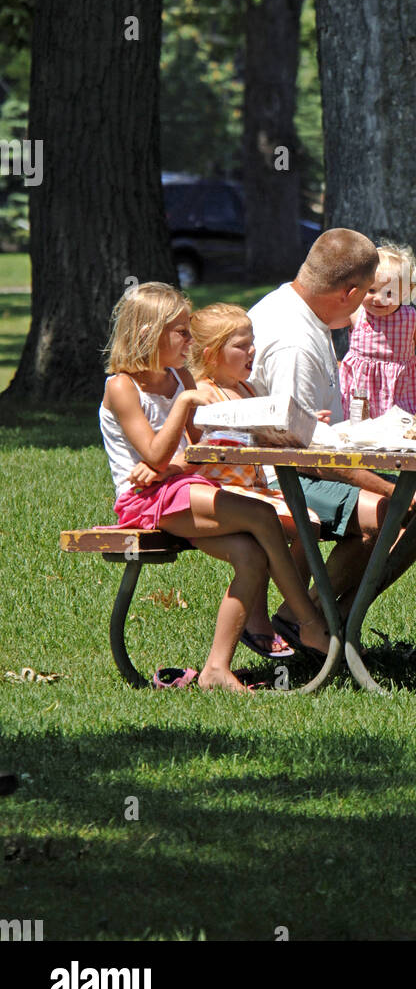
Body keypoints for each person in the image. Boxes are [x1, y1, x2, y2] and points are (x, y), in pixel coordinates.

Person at [99, 282, 331, 691]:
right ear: (149, 332)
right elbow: (153, 452)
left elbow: (197, 451)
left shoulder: (179, 375)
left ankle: (215, 671)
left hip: (182, 488)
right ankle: (308, 622)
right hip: (143, 502)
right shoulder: (122, 386)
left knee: (251, 554)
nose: (189, 341)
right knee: (262, 515)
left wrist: (169, 464)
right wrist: (184, 412)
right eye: (181, 332)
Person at [248, 230, 416, 624]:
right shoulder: (295, 343)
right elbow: (301, 455)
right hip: (277, 475)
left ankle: (321, 619)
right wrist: (391, 489)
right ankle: (314, 621)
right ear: (349, 293)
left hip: (310, 462)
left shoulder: (294, 306)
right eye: (368, 292)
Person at [188, 301, 329, 660]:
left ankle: (284, 613)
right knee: (285, 527)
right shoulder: (203, 394)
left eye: (252, 343)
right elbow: (195, 448)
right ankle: (267, 619)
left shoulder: (249, 391)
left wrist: (300, 423)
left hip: (255, 488)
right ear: (212, 353)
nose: (252, 351)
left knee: (309, 525)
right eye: (242, 345)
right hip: (222, 492)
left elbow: (263, 434)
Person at [339, 241, 416, 419]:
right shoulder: (357, 312)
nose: (379, 299)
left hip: (400, 386)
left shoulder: (411, 317)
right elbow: (329, 320)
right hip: (361, 386)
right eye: (372, 290)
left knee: (400, 424)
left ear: (405, 293)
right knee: (359, 424)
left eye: (389, 293)